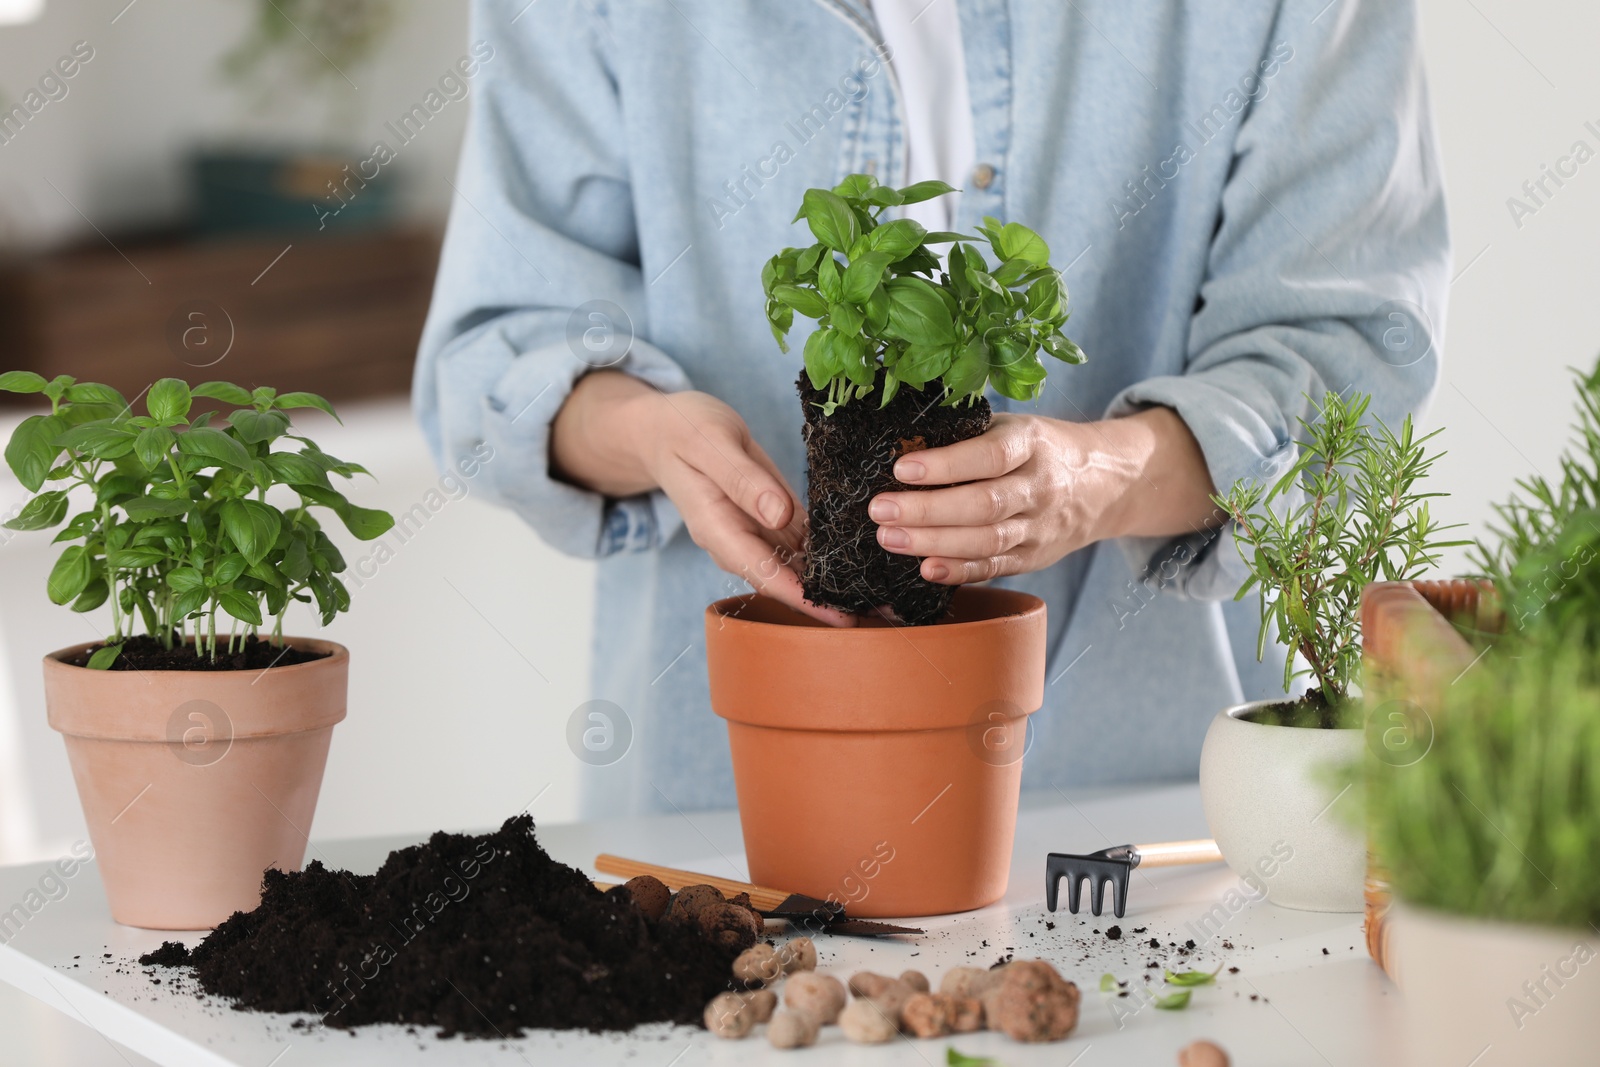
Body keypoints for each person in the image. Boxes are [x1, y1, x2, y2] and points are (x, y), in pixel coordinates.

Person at [415, 0, 1447, 817]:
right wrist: (651, 433)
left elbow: (1348, 343)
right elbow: (490, 360)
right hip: (724, 809)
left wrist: (1098, 478)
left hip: (1149, 806)